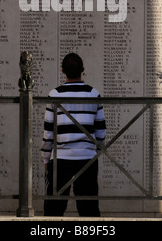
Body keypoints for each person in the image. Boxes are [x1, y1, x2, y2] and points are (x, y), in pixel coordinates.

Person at [41, 53, 106, 217]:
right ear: (83, 70)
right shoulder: (93, 94)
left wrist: (45, 157)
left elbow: (49, 130)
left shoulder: (54, 95)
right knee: (88, 209)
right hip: (87, 158)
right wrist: (96, 151)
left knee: (53, 209)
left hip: (60, 158)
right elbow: (101, 129)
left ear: (62, 71)